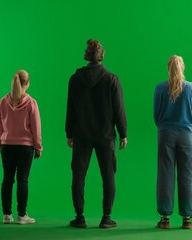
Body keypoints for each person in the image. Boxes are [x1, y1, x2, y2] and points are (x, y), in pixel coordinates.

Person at [66, 39, 127, 229]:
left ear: (87, 55)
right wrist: (123, 133)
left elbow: (71, 109)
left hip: (81, 134)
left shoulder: (75, 79)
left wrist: (69, 133)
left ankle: (79, 217)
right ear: (101, 55)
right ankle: (106, 218)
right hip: (105, 135)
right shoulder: (111, 79)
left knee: (78, 175)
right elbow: (119, 109)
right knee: (108, 176)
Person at [154, 55, 192, 229]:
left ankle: (165, 217)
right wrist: (187, 127)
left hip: (165, 133)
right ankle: (187, 218)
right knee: (187, 175)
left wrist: (165, 126)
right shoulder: (191, 88)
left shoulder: (159, 88)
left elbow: (156, 115)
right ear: (183, 68)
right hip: (187, 135)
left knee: (165, 174)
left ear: (168, 68)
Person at [0, 70, 42, 224]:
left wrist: (0, 143)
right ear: (27, 84)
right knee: (23, 180)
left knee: (7, 179)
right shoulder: (31, 103)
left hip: (6, 145)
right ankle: (22, 215)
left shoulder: (3, 101)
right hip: (25, 147)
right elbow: (36, 128)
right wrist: (38, 147)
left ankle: (7, 215)